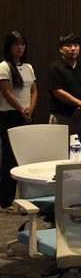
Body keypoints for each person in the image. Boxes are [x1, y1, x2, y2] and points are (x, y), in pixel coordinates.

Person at [0, 31, 37, 210]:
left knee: (25, 157)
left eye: (22, 44)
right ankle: (5, 201)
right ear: (9, 46)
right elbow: (6, 92)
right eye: (16, 44)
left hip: (26, 115)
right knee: (9, 157)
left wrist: (30, 109)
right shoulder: (4, 66)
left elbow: (34, 91)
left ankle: (25, 197)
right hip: (9, 115)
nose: (20, 47)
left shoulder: (28, 67)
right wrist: (22, 109)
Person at [48, 33, 81, 136]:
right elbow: (58, 92)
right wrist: (80, 103)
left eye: (76, 45)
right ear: (61, 49)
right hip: (61, 116)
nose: (73, 48)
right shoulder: (55, 67)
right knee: (59, 144)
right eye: (68, 45)